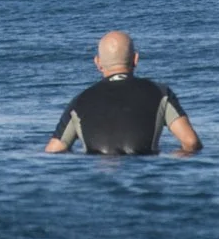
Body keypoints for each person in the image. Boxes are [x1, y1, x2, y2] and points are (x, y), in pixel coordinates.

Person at [44, 30, 202, 156]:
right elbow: (191, 142)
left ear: (98, 63)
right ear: (135, 59)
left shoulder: (79, 101)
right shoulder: (160, 92)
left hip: (96, 181)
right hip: (146, 176)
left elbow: (54, 150)